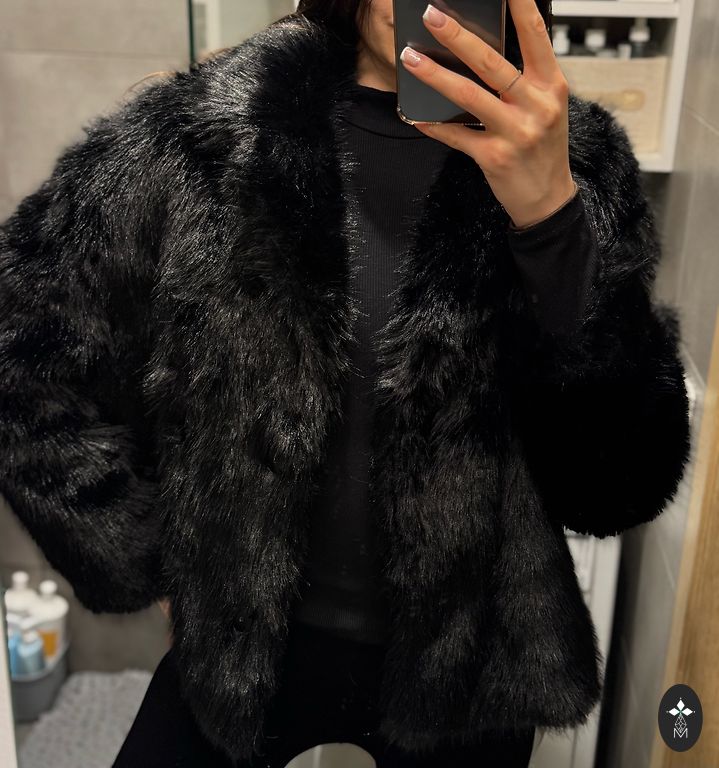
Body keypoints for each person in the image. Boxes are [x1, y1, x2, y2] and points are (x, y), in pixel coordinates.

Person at [0, 0, 691, 766]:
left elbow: (616, 486)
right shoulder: (200, 132)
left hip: (466, 669)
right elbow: (17, 348)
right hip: (241, 650)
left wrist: (551, 220)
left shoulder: (574, 163)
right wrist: (149, 549)